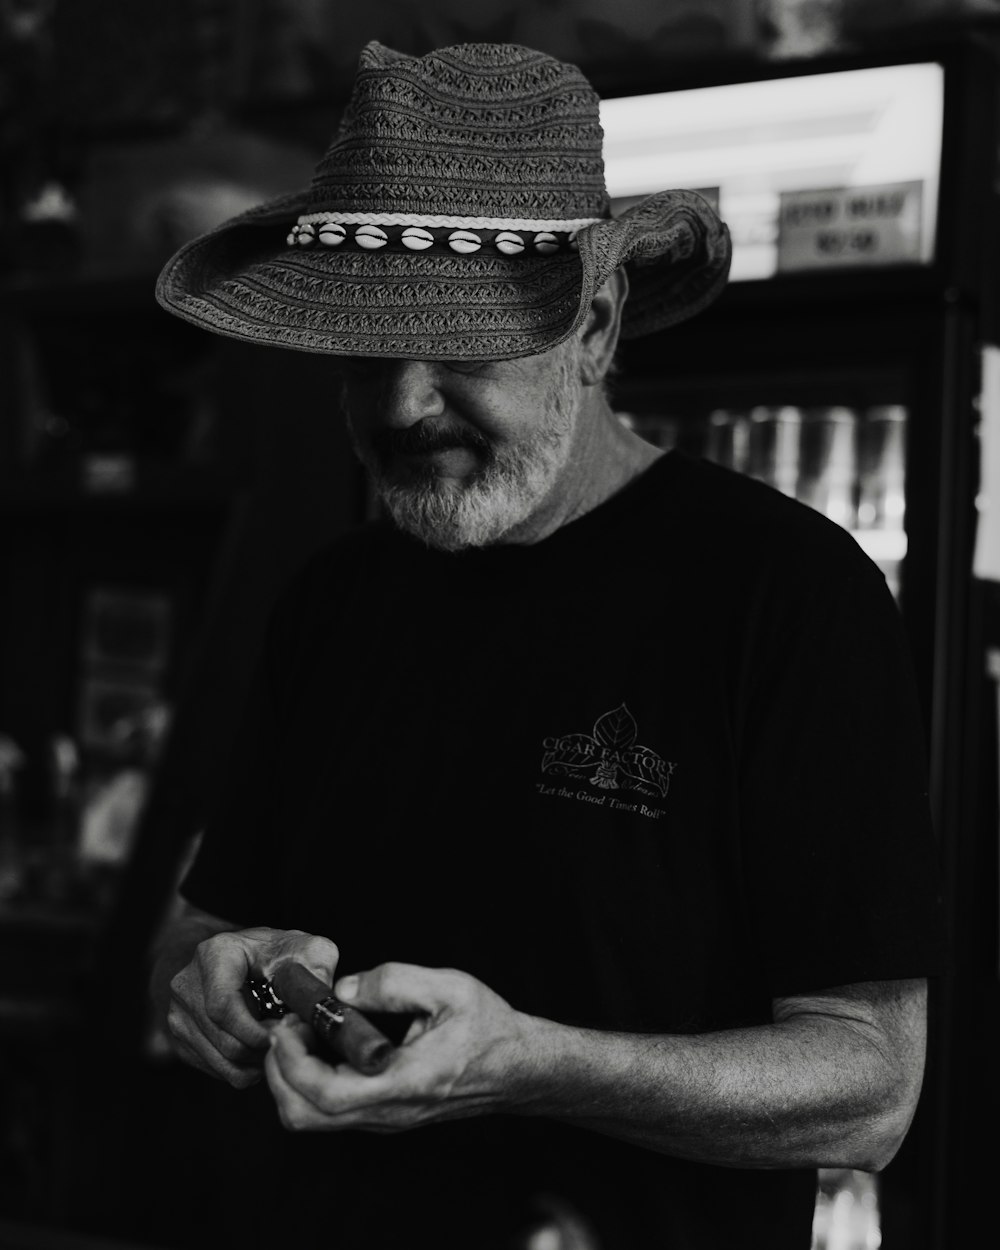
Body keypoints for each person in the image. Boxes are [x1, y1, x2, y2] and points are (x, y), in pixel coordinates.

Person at [150, 39, 944, 1250]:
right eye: (371, 351)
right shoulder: (331, 597)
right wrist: (217, 975)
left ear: (595, 322)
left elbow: (870, 1083)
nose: (406, 405)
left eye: (463, 345)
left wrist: (530, 1062)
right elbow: (194, 926)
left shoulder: (784, 593)